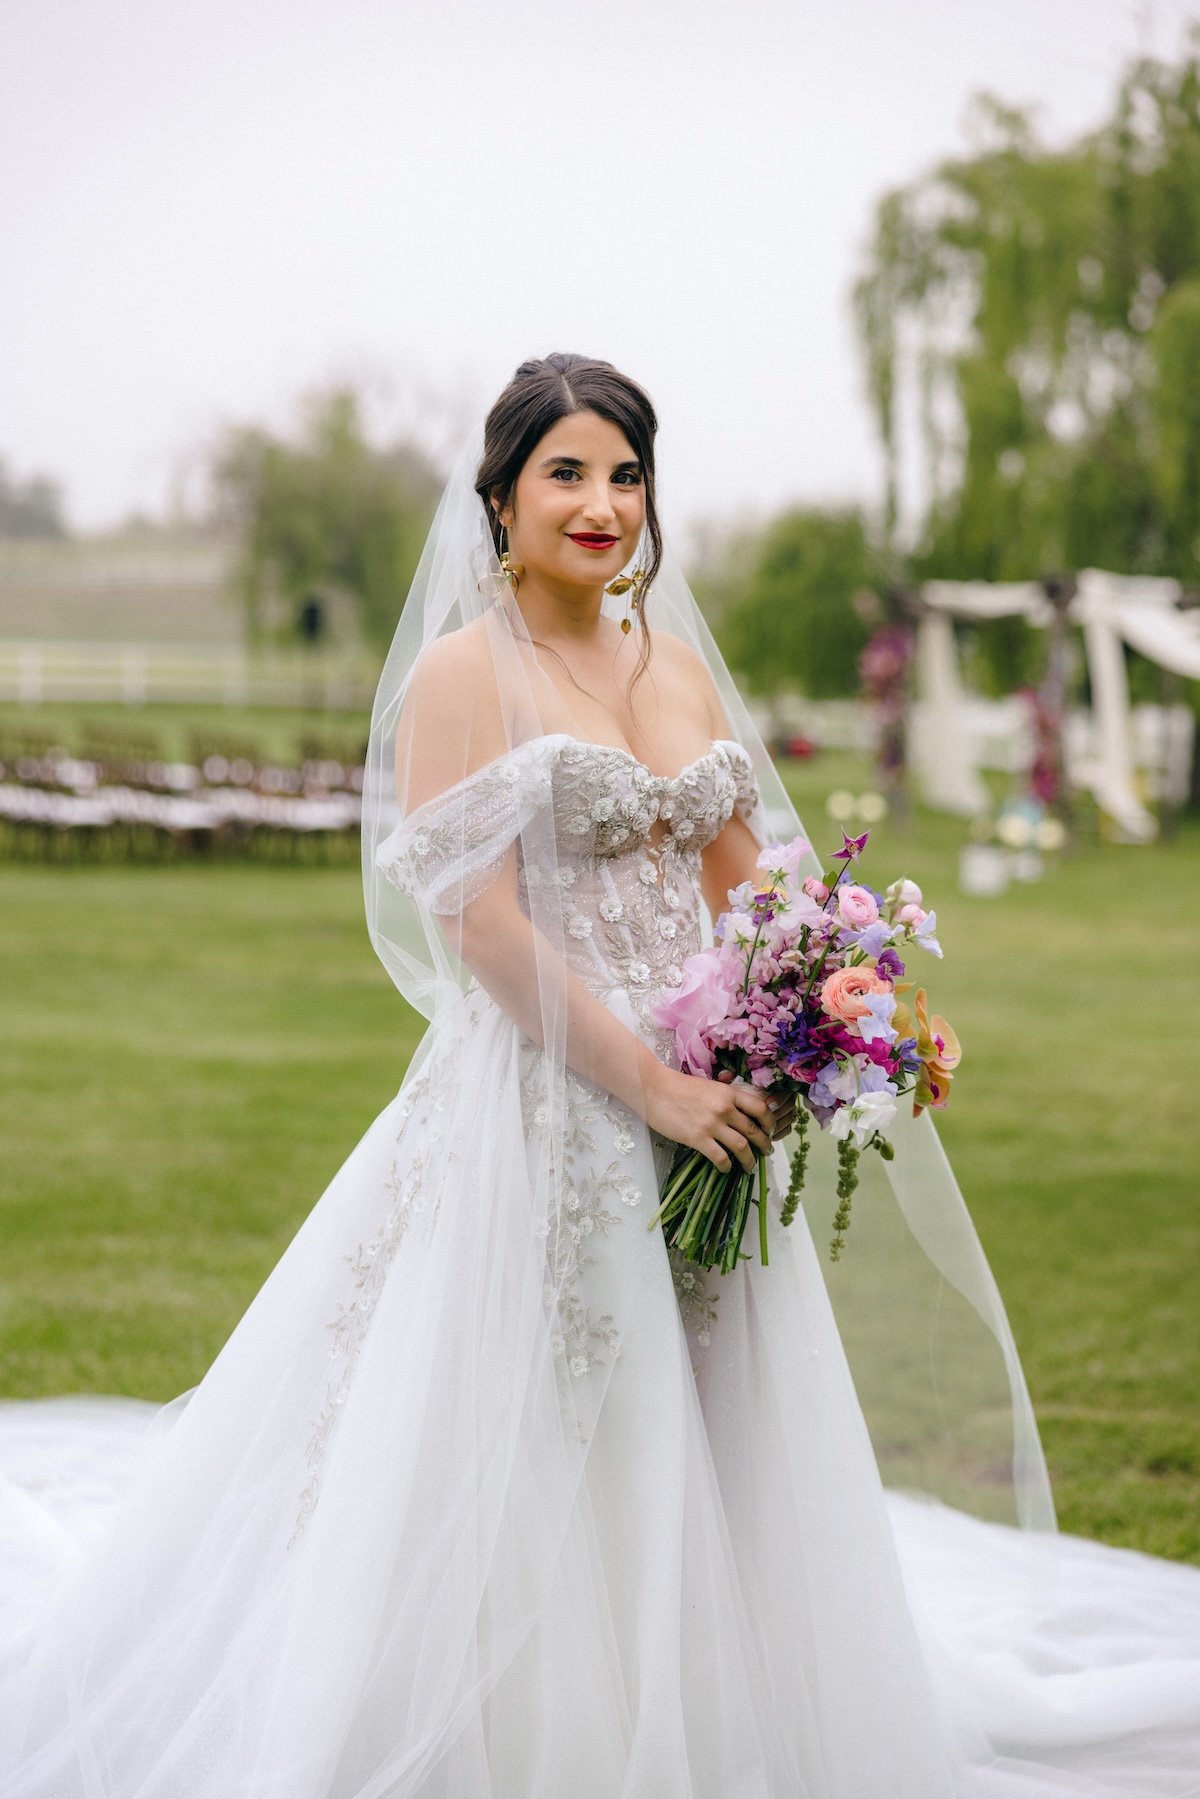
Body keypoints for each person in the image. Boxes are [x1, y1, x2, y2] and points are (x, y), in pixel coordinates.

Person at [1, 352, 1198, 1797]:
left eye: (625, 472)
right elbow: (481, 923)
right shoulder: (467, 673)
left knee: (711, 1415)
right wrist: (655, 1089)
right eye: (567, 472)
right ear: (500, 501)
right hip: (547, 1111)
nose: (602, 502)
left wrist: (831, 1000)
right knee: (542, 1422)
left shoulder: (677, 669)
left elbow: (751, 890)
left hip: (711, 1104)